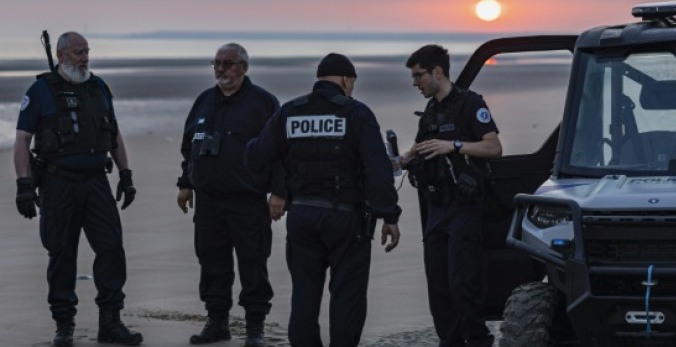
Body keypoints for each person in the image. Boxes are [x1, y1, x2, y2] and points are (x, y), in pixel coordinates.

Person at [245, 52, 401, 347]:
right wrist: (389, 216)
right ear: (346, 80)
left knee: (304, 294)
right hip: (346, 219)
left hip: (302, 217)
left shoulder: (289, 112)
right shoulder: (356, 113)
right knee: (347, 296)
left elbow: (256, 157)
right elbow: (377, 170)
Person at [13, 31, 142, 346]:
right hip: (58, 182)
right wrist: (24, 185)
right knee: (61, 253)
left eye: (87, 51)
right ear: (60, 55)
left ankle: (111, 322)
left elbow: (114, 132)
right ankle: (64, 325)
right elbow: (22, 139)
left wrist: (126, 174)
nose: (84, 58)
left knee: (111, 248)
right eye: (77, 52)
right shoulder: (41, 90)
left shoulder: (98, 87)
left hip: (97, 181)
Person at [177, 43, 282, 346]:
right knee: (212, 264)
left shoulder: (263, 103)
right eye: (216, 63)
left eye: (228, 63)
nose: (221, 69)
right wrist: (185, 183)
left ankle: (254, 327)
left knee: (253, 264)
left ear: (244, 68)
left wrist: (279, 192)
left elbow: (279, 153)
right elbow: (189, 146)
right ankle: (217, 322)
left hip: (247, 200)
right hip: (208, 201)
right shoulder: (204, 101)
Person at [398, 44, 502, 347]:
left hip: (464, 207)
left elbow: (494, 148)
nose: (415, 83)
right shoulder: (430, 112)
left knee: (461, 284)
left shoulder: (470, 104)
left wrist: (453, 146)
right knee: (438, 287)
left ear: (438, 72)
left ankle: (479, 341)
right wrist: (402, 159)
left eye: (419, 76)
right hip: (436, 209)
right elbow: (420, 148)